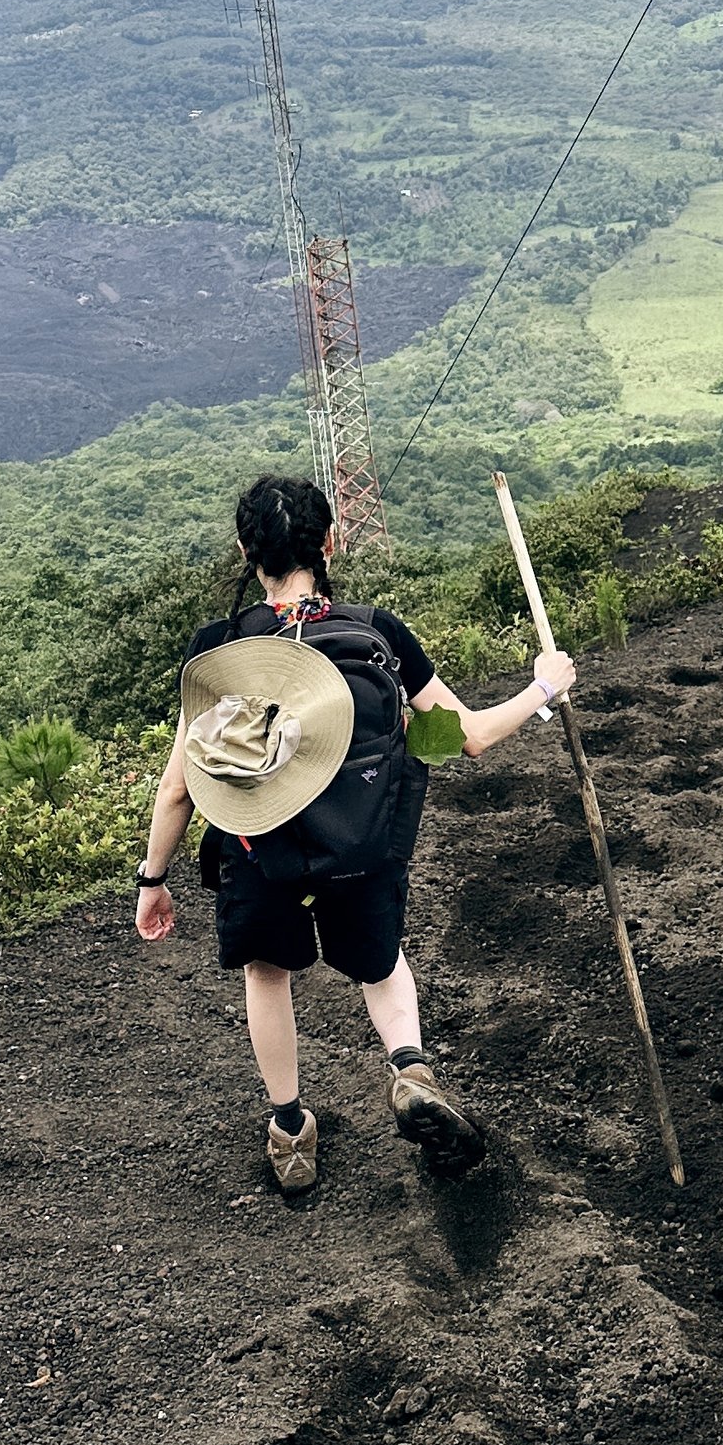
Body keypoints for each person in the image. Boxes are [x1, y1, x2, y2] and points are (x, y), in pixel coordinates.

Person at [135, 472, 575, 1194]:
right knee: (380, 964)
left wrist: (153, 879)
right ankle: (409, 1069)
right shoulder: (377, 632)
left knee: (268, 974)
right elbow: (466, 738)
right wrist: (544, 686)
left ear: (248, 551)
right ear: (330, 542)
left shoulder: (216, 650)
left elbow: (181, 783)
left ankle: (290, 1130)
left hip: (260, 853)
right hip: (360, 845)